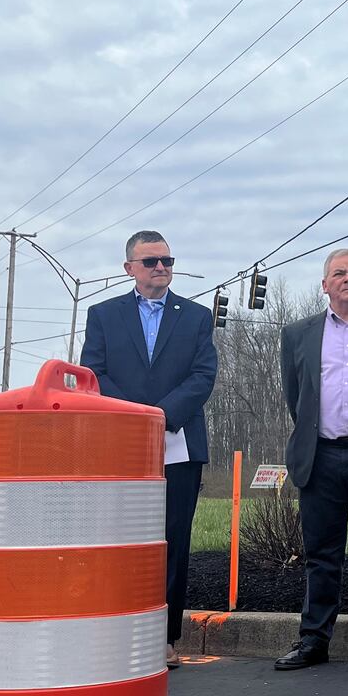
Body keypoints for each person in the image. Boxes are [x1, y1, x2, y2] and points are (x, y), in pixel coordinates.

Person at [81, 230, 218, 669]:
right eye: (150, 261)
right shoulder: (103, 315)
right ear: (129, 269)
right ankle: (117, 632)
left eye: (166, 260)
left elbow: (202, 375)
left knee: (171, 543)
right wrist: (136, 416)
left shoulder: (195, 317)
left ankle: (163, 637)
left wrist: (161, 416)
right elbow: (93, 371)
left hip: (178, 446)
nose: (161, 267)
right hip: (120, 444)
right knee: (118, 541)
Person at [274, 249, 348, 674]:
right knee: (321, 554)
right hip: (320, 458)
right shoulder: (298, 334)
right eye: (338, 273)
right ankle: (314, 640)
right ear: (324, 285)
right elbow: (295, 396)